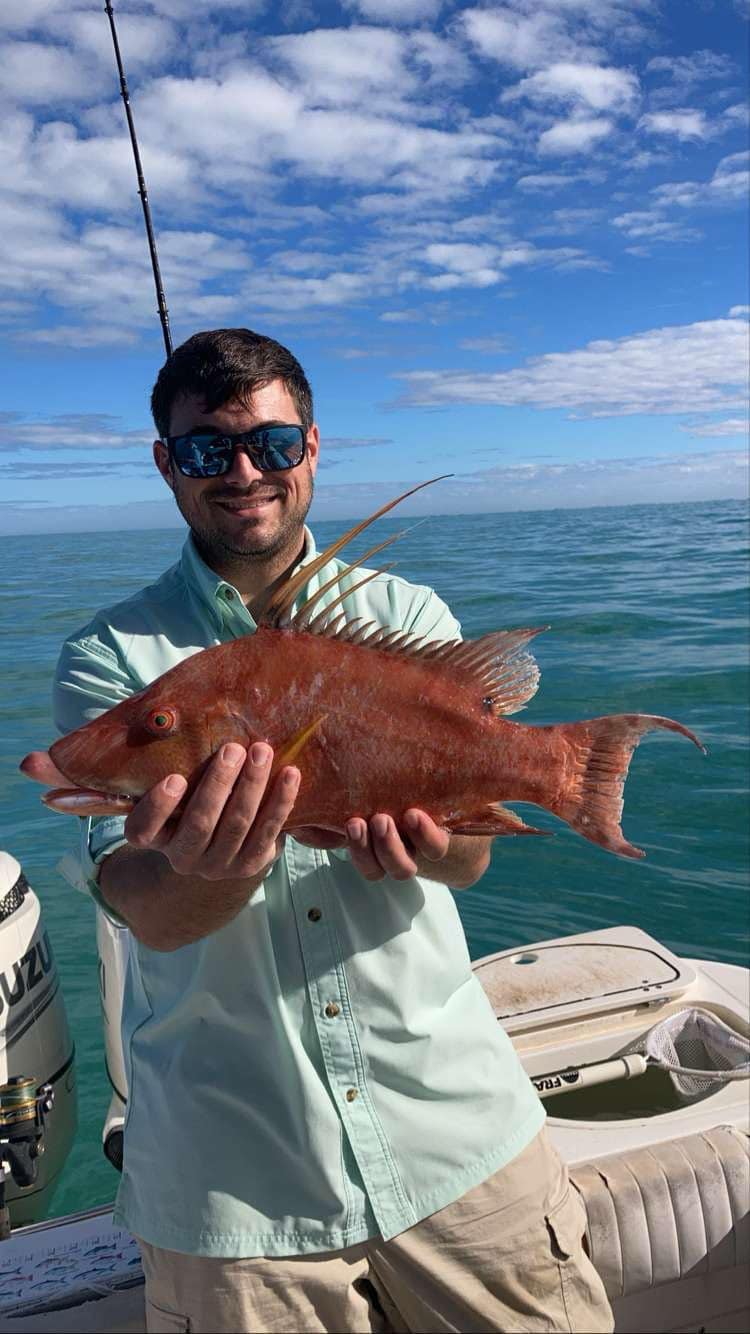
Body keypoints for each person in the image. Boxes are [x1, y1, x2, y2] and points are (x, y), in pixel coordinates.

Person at [50, 330, 613, 1333]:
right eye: (205, 450)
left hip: (452, 1130)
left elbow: (469, 859)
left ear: (312, 445)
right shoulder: (116, 657)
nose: (245, 472)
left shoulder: (404, 611)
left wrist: (438, 842)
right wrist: (211, 864)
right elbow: (141, 901)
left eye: (271, 440)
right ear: (165, 463)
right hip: (236, 1184)